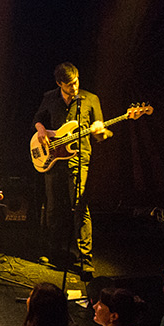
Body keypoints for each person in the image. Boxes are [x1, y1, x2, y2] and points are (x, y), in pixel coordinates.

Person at [33, 62, 109, 278]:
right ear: (59, 84)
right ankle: (53, 251)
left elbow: (100, 135)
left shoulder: (90, 99)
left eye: (75, 83)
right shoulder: (50, 97)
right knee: (53, 207)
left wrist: (99, 131)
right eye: (69, 86)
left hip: (79, 159)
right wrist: (40, 129)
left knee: (79, 207)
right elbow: (37, 118)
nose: (74, 88)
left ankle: (86, 259)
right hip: (54, 159)